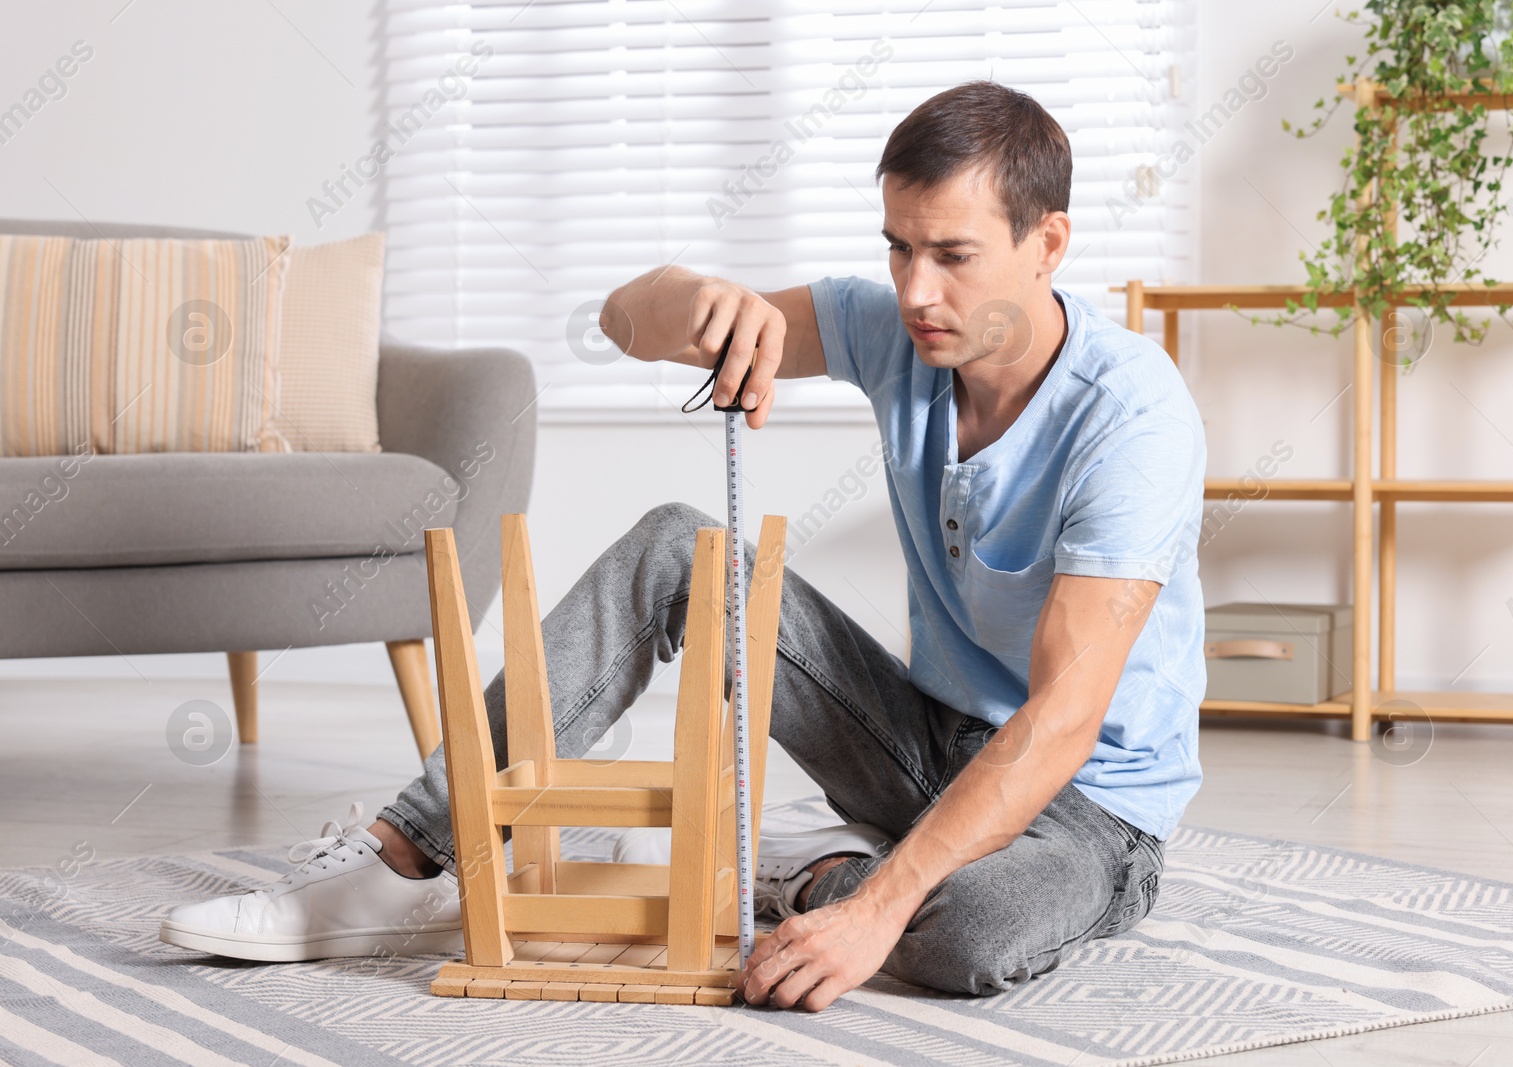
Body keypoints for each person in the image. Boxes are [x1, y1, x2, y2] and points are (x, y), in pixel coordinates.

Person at [161, 79, 1206, 1013]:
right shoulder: (899, 328)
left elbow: (1064, 718)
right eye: (897, 246)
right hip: (924, 743)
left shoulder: (1131, 418)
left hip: (1089, 808)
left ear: (1048, 244)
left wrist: (877, 907)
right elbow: (625, 317)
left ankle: (817, 876)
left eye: (952, 255)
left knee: (960, 931)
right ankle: (412, 853)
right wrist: (706, 302)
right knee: (677, 545)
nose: (915, 289)